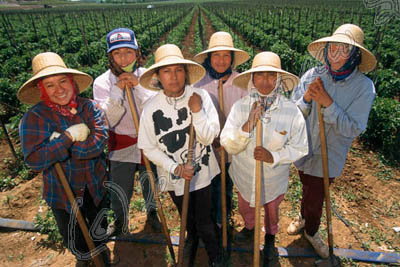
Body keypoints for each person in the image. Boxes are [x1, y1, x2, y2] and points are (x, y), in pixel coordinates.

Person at [288, 24, 377, 259]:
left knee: (316, 196)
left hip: (331, 153)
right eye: (332, 48)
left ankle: (311, 231)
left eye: (344, 50)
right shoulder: (312, 75)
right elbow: (291, 114)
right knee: (307, 187)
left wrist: (328, 103)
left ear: (355, 55)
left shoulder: (364, 87)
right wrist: (307, 99)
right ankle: (304, 216)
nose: (336, 55)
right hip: (304, 148)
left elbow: (354, 128)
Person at [18, 52, 111, 267]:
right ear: (42, 90)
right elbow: (34, 160)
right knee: (72, 235)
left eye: (62, 81)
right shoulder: (34, 117)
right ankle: (82, 257)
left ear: (72, 82)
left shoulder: (90, 107)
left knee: (99, 225)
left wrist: (58, 147)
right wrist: (70, 137)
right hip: (61, 190)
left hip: (95, 184)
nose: (59, 89)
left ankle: (101, 251)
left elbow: (99, 143)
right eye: (50, 85)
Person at [137, 44, 224, 266]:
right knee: (187, 217)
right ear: (157, 76)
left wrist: (197, 111)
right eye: (167, 71)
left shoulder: (201, 96)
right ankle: (191, 240)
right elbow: (148, 147)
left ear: (186, 72)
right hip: (172, 175)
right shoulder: (150, 108)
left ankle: (216, 256)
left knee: (205, 219)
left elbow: (208, 137)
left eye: (178, 70)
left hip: (202, 172)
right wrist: (176, 168)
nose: (173, 77)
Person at [220, 51, 308, 266]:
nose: (265, 81)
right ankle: (249, 228)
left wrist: (274, 156)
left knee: (271, 211)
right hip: (244, 174)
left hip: (273, 179)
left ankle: (270, 238)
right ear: (252, 79)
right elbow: (228, 142)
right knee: (245, 206)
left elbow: (300, 147)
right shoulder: (240, 107)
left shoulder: (291, 111)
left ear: (278, 80)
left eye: (271, 76)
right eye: (260, 76)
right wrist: (248, 125)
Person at [93, 28, 161, 235]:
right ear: (110, 57)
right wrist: (118, 91)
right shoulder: (102, 82)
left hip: (148, 140)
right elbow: (107, 120)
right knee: (120, 187)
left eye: (128, 52)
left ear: (137, 53)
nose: (123, 58)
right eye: (117, 53)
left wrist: (138, 87)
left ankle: (152, 214)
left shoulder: (149, 76)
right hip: (122, 141)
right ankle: (121, 219)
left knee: (151, 182)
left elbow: (156, 110)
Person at [193, 31, 249, 232]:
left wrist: (230, 139)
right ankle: (211, 221)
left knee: (227, 184)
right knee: (211, 184)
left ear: (232, 59)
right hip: (208, 146)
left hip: (234, 146)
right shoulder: (200, 84)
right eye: (216, 55)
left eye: (226, 56)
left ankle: (223, 218)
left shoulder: (241, 83)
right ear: (209, 58)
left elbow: (246, 114)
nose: (221, 60)